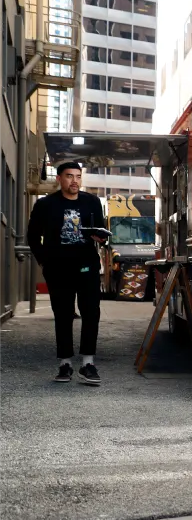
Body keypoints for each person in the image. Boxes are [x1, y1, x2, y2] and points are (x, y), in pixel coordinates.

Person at [26, 162, 107, 385]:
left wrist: (101, 237)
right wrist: (44, 261)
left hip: (87, 266)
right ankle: (65, 364)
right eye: (69, 176)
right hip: (58, 267)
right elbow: (33, 237)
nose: (74, 181)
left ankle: (88, 363)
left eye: (78, 177)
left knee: (91, 312)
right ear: (59, 179)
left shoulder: (92, 202)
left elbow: (100, 230)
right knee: (63, 315)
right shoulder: (45, 205)